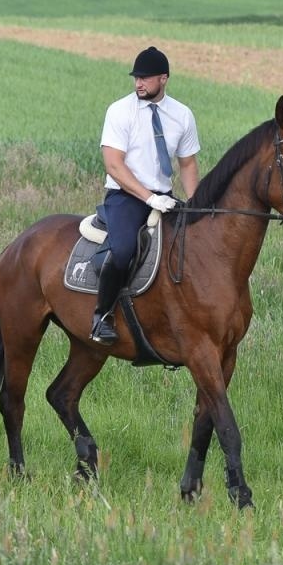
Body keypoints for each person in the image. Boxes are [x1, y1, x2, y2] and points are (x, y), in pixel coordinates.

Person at [91, 46, 201, 344]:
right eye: (136, 78)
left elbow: (187, 163)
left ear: (163, 79)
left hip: (165, 196)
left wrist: (196, 204)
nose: (138, 83)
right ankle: (102, 316)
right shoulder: (119, 111)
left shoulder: (182, 115)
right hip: (125, 196)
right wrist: (149, 198)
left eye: (145, 78)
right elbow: (114, 164)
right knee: (123, 250)